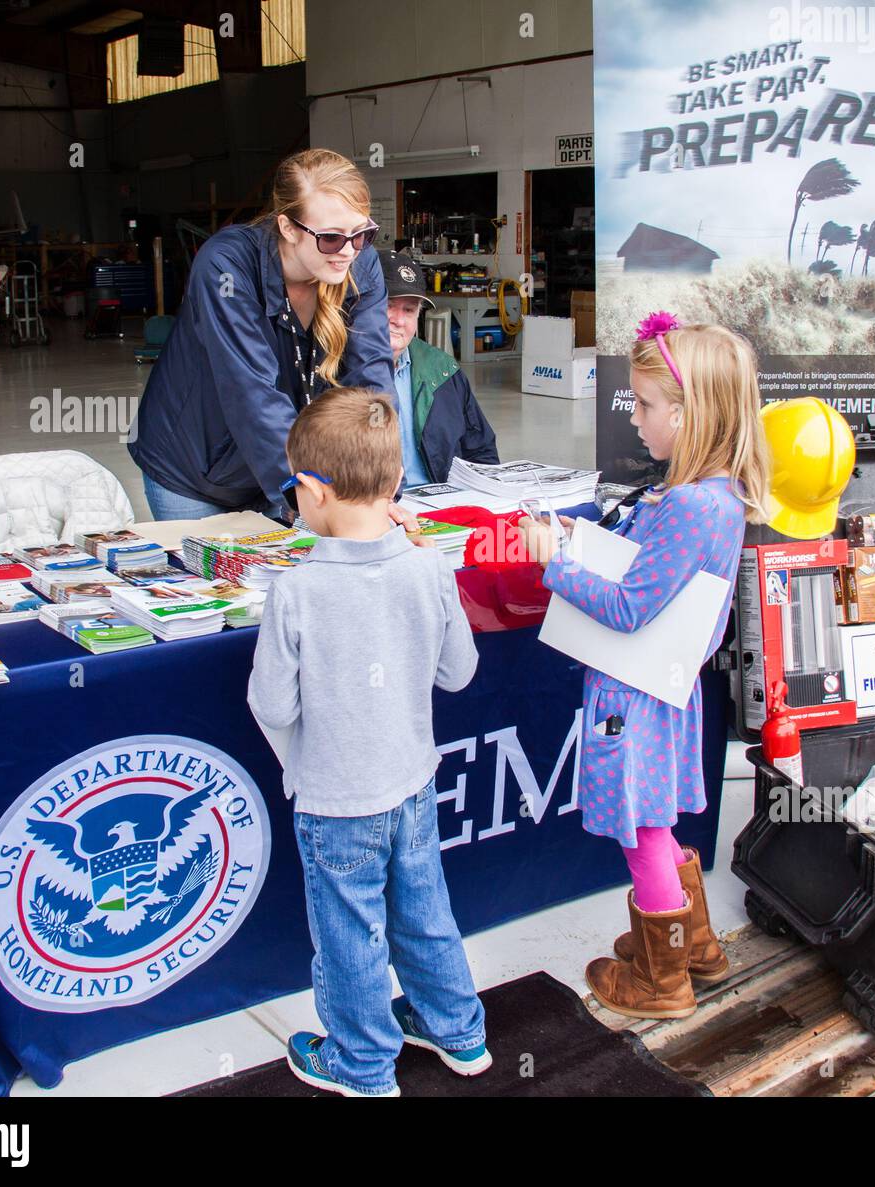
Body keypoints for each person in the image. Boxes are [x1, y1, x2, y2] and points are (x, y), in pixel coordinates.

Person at [515, 314, 770, 1020]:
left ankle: (662, 980)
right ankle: (695, 947)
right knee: (656, 820)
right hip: (664, 692)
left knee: (643, 832)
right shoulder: (715, 496)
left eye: (646, 405)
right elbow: (652, 574)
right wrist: (587, 536)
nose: (636, 419)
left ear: (689, 415)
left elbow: (628, 608)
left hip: (632, 699)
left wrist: (554, 563)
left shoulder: (688, 505)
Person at [247, 386, 490, 1098]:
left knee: (351, 935)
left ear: (313, 494)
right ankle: (458, 1027)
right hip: (413, 783)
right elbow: (460, 671)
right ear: (393, 486)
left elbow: (271, 701)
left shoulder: (295, 592)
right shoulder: (428, 565)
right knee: (424, 906)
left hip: (334, 799)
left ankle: (361, 1063)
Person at [129, 149, 393, 520]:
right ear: (288, 227)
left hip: (279, 462)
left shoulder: (360, 264)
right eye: (331, 237)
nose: (348, 251)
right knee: (218, 580)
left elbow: (372, 377)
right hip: (194, 470)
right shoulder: (226, 267)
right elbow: (251, 394)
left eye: (361, 233)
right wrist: (311, 499)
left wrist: (379, 493)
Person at [377, 248, 499, 485]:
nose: (399, 320)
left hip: (442, 507)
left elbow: (481, 451)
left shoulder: (441, 369)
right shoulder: (335, 371)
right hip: (372, 511)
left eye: (409, 310)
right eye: (388, 306)